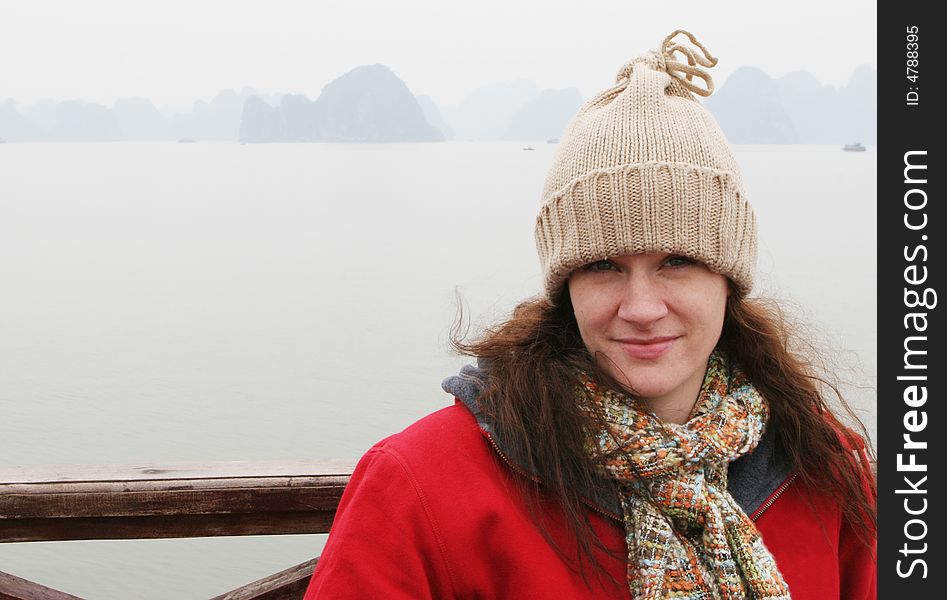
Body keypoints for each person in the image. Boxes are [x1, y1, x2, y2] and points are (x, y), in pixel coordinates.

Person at [303, 30, 876, 599]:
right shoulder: (421, 486)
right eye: (604, 265)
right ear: (565, 286)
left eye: (677, 261)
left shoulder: (825, 468)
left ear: (728, 280)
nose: (643, 308)